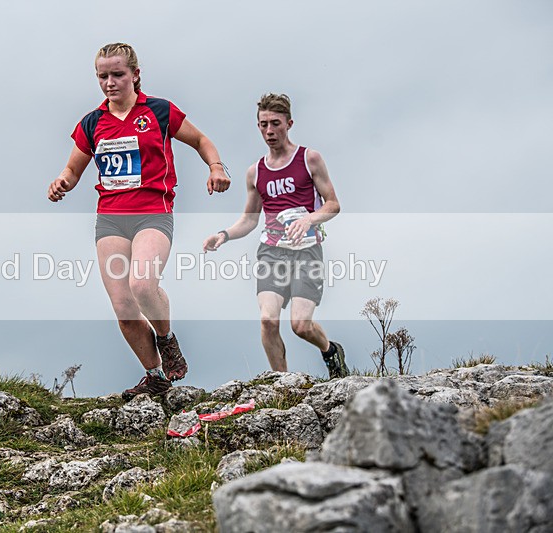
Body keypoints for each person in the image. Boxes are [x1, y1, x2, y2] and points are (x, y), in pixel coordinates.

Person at [48, 43, 230, 400]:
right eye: (103, 76)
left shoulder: (158, 111)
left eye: (117, 74)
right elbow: (72, 169)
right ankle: (155, 376)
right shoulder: (92, 123)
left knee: (143, 285)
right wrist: (62, 182)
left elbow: (200, 140)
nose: (110, 83)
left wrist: (216, 166)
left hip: (152, 213)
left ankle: (166, 339)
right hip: (111, 220)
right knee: (123, 306)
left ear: (135, 74)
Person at [202, 93, 349, 378]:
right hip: (272, 252)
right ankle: (282, 382)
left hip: (307, 251)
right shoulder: (255, 172)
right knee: (268, 320)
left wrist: (308, 219)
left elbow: (333, 204)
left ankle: (331, 351)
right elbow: (249, 219)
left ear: (289, 124)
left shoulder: (309, 159)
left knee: (301, 326)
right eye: (263, 124)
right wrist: (224, 235)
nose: (269, 131)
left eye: (275, 124)